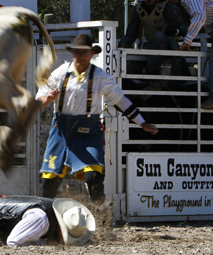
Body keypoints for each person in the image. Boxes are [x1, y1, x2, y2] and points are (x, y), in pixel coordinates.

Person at [37, 34, 158, 202]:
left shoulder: (100, 76)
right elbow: (41, 95)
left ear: (91, 54)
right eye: (77, 52)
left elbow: (120, 100)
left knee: (93, 176)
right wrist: (48, 98)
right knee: (50, 179)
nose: (80, 57)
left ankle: (101, 218)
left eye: (84, 53)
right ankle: (46, 218)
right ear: (72, 52)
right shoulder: (61, 72)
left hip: (87, 130)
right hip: (61, 130)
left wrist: (142, 122)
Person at [119, 0, 188, 75]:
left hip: (168, 45)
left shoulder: (166, 7)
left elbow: (183, 27)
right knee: (131, 65)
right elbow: (132, 32)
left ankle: (152, 70)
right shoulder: (138, 10)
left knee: (159, 35)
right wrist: (123, 46)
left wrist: (175, 31)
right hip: (151, 45)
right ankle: (138, 85)